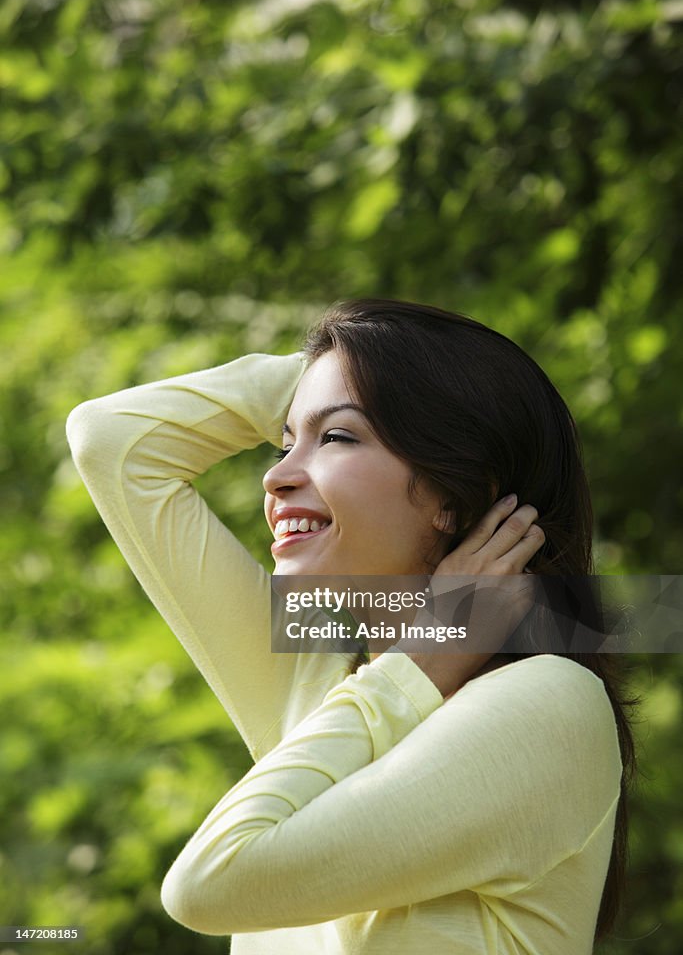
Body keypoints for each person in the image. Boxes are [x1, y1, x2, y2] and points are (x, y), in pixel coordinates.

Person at [66, 298, 635, 954]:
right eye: (284, 443)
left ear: (450, 496)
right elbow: (110, 441)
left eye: (334, 439)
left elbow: (206, 887)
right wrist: (331, 377)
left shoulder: (550, 704)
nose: (276, 476)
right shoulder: (320, 689)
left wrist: (421, 664)